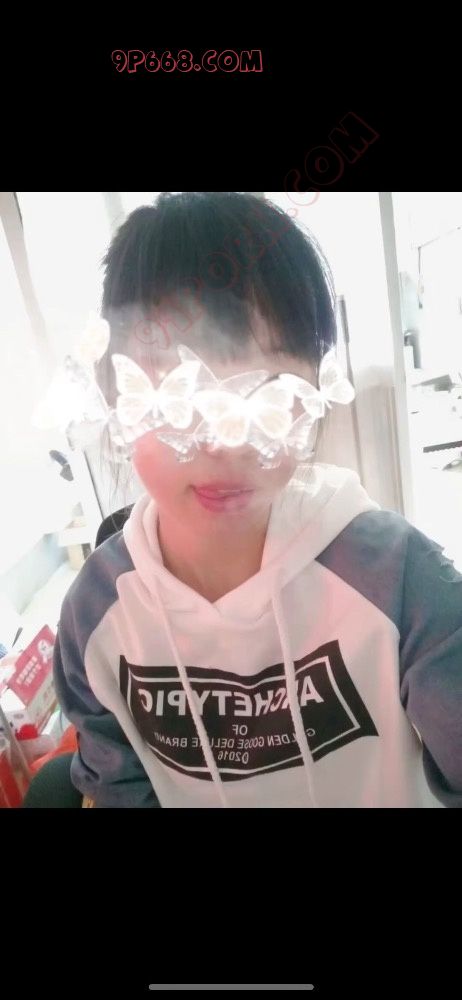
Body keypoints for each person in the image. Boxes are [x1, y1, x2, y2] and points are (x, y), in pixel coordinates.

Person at [52, 192, 462, 807]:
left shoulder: (400, 580)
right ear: (117, 397)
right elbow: (118, 788)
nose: (227, 443)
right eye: (178, 393)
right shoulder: (96, 613)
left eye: (268, 390)